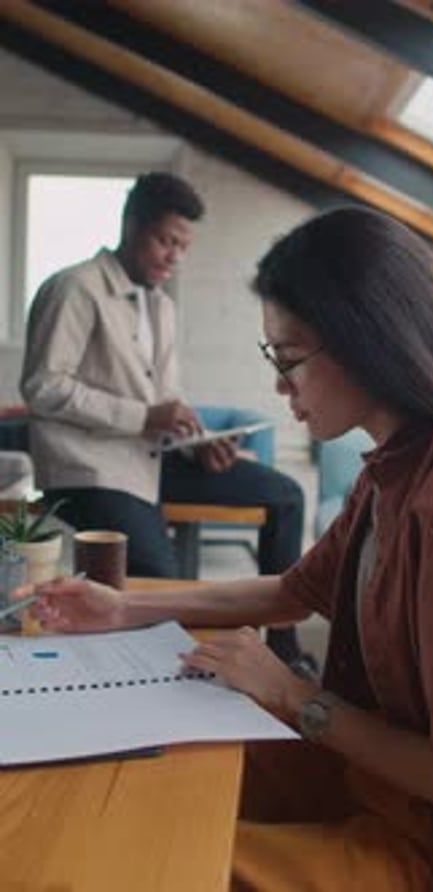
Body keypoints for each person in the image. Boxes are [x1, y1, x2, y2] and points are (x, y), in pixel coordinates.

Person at [22, 206, 433, 891]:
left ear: (366, 341)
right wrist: (122, 609)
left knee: (131, 862)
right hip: (373, 779)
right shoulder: (393, 468)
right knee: (151, 776)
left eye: (289, 358)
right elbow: (291, 592)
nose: (280, 385)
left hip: (432, 840)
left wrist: (294, 695)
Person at [20, 172, 309, 669]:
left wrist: (199, 443)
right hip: (92, 470)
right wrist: (145, 416)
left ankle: (282, 649)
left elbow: (163, 399)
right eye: (165, 241)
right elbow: (43, 387)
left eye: (183, 246)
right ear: (131, 225)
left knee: (285, 496)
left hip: (154, 459)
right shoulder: (74, 288)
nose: (174, 256)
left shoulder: (163, 306)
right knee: (162, 583)